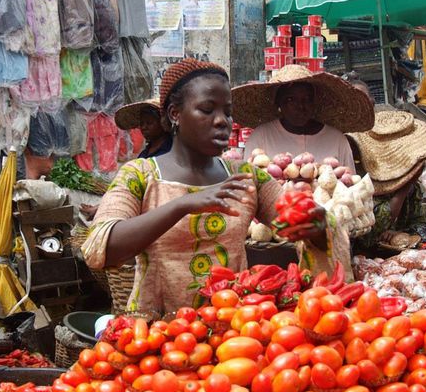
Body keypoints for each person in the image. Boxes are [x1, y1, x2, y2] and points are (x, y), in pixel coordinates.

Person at [85, 59, 324, 315]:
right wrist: (183, 204)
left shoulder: (246, 178)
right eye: (207, 109)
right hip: (157, 335)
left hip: (234, 332)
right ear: (175, 114)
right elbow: (102, 249)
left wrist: (316, 223)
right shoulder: (140, 175)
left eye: (227, 112)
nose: (222, 121)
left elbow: (309, 232)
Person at [347, 108, 426, 247]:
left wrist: (404, 234)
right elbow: (369, 232)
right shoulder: (360, 181)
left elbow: (421, 222)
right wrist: (406, 186)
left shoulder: (413, 187)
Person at [234, 65, 372, 166]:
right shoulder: (261, 137)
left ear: (315, 102)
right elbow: (250, 184)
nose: (300, 106)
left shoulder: (336, 140)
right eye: (290, 100)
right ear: (278, 103)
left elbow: (349, 188)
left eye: (306, 99)